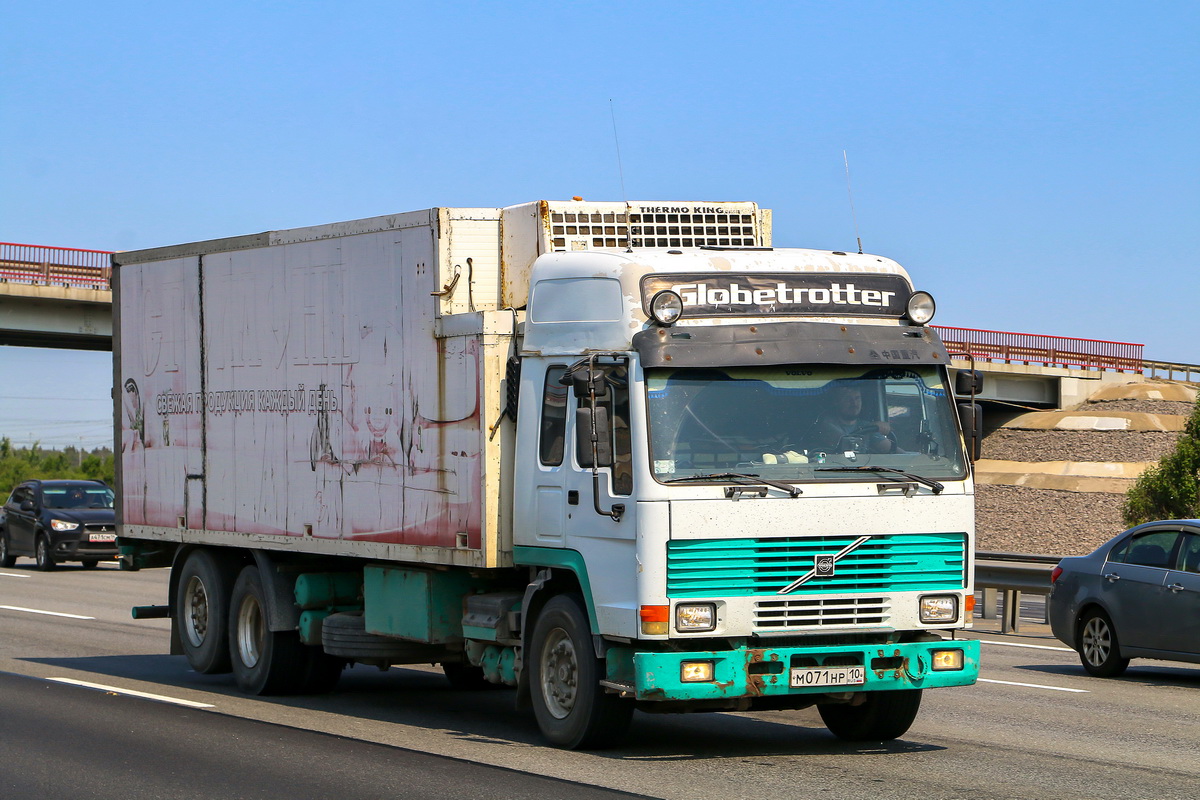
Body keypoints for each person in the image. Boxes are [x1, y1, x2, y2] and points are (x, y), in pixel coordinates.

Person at [810, 382, 900, 453]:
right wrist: (873, 426)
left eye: (857, 398)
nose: (854, 403)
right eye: (848, 399)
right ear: (836, 402)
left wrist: (909, 459)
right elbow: (845, 441)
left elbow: (891, 449)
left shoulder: (866, 426)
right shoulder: (826, 424)